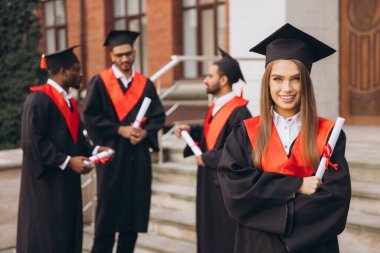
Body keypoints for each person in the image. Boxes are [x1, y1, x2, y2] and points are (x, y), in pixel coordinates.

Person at [217, 23, 351, 253]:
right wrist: (296, 185)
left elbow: (335, 202)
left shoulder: (330, 135)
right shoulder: (245, 133)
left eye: (296, 79)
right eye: (277, 78)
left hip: (312, 246)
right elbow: (235, 192)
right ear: (267, 82)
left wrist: (269, 208)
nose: (286, 88)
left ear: (306, 82)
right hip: (257, 246)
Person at [17, 46, 113, 253]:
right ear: (62, 72)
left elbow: (76, 141)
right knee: (48, 238)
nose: (81, 74)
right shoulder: (38, 100)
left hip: (66, 185)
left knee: (66, 237)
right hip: (47, 188)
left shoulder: (68, 101)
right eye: (76, 69)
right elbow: (32, 142)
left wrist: (95, 150)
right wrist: (68, 161)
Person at [83, 30, 166, 253]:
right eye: (119, 55)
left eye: (128, 54)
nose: (124, 59)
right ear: (111, 56)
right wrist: (119, 129)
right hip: (113, 158)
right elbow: (90, 115)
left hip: (138, 159)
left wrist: (146, 133)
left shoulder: (145, 84)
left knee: (133, 219)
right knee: (107, 219)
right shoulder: (100, 83)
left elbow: (159, 116)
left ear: (135, 53)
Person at [175, 48, 252, 253]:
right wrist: (192, 130)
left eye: (210, 76)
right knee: (209, 231)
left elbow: (240, 151)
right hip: (209, 180)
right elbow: (214, 135)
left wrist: (208, 158)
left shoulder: (240, 111)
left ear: (224, 79)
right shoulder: (217, 105)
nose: (205, 80)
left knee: (223, 235)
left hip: (225, 185)